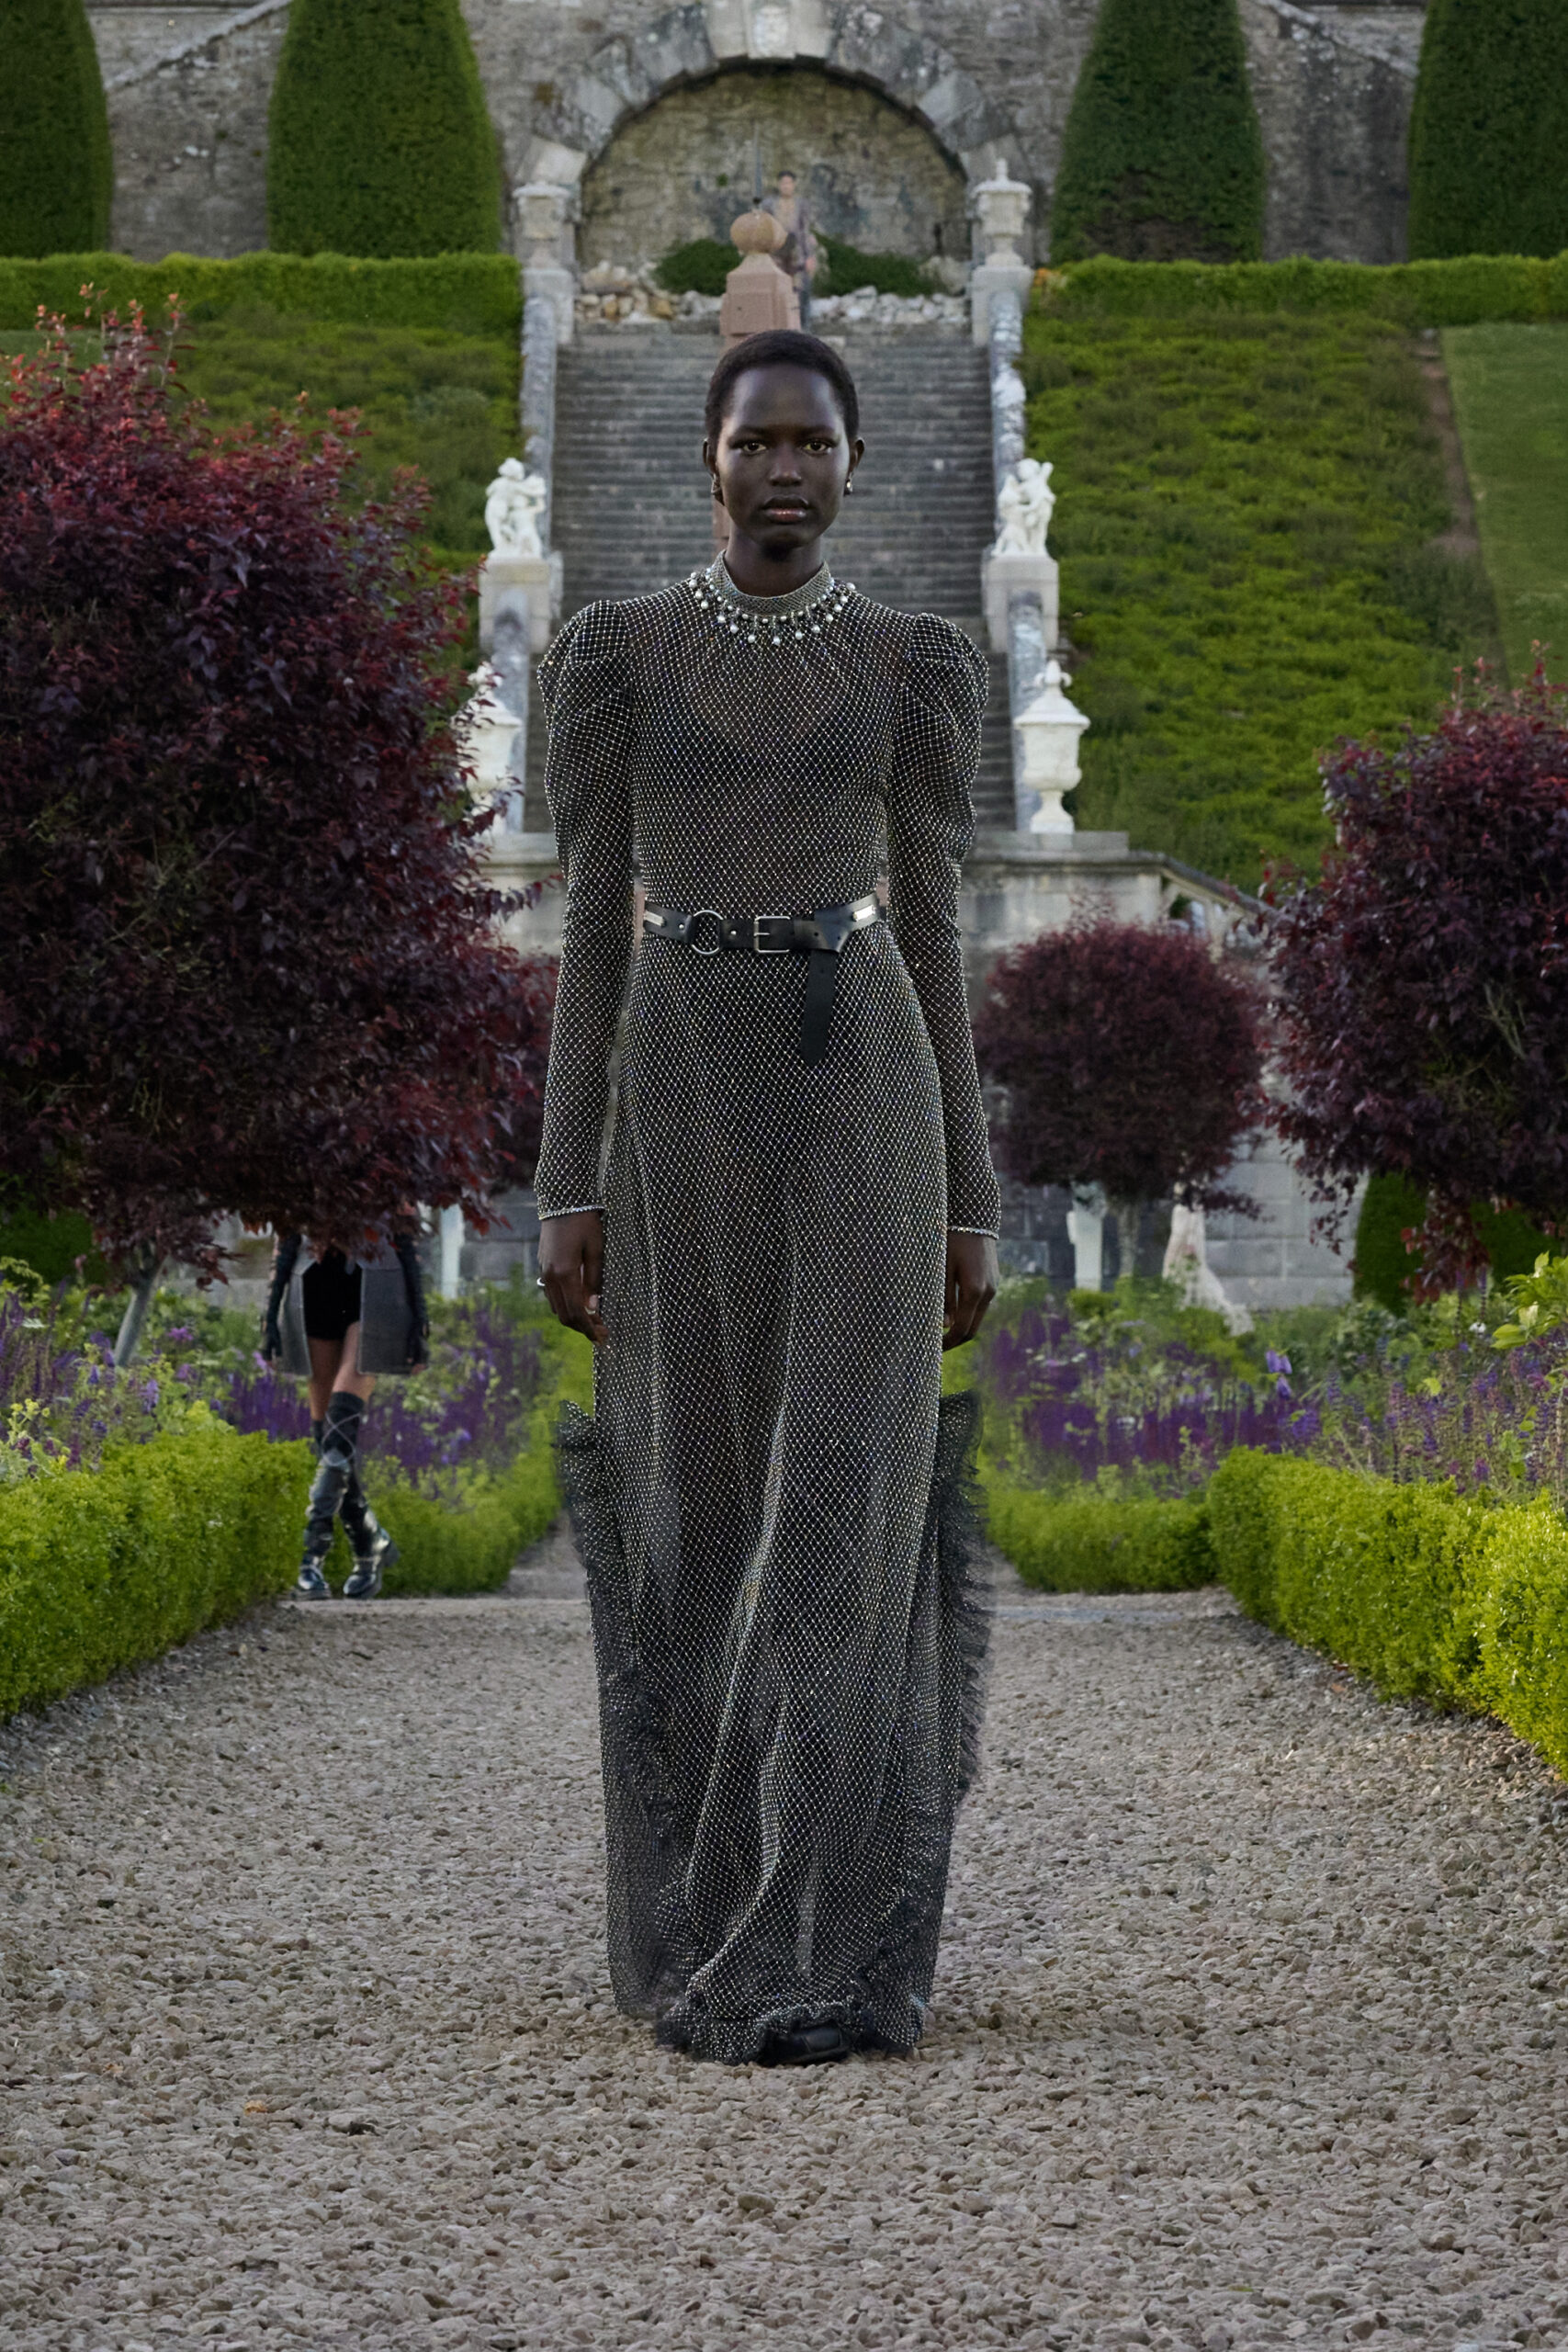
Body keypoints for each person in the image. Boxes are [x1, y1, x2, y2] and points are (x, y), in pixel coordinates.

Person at [536, 326, 1001, 2067]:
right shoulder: (616, 655)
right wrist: (562, 1180)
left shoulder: (910, 663)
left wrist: (969, 1197)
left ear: (852, 466)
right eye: (758, 443)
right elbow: (588, 930)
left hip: (861, 1080)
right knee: (697, 1512)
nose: (785, 470)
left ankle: (827, 1942)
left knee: (841, 1512)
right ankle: (704, 1915)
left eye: (812, 444)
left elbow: (937, 931)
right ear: (709, 461)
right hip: (676, 1090)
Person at [263, 1227, 429, 1600]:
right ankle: (369, 1543)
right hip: (313, 1288)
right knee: (328, 1440)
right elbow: (286, 1237)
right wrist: (269, 1316)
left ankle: (310, 1556)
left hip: (374, 1292)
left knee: (338, 1435)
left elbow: (406, 1237)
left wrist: (420, 1318)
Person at [761, 170, 819, 326]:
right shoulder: (769, 205)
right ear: (778, 185)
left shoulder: (801, 205)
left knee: (800, 288)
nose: (786, 186)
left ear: (794, 185)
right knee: (776, 287)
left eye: (789, 183)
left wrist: (809, 255)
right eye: (783, 183)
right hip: (776, 250)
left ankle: (802, 325)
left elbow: (805, 230)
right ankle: (776, 325)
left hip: (796, 251)